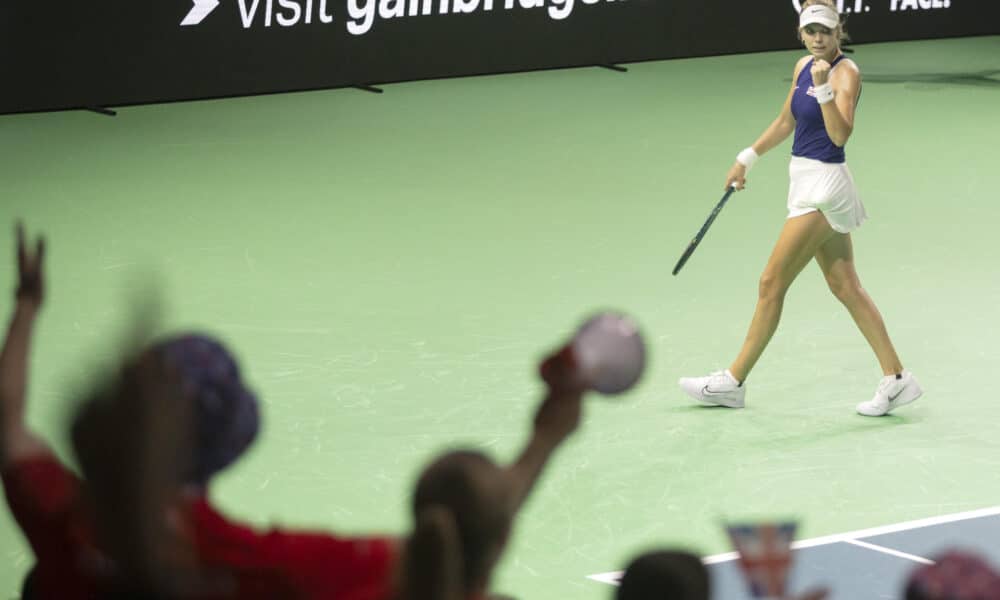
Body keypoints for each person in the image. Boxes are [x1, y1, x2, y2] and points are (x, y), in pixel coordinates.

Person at [678, 0, 922, 417]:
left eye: (825, 31)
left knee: (771, 282)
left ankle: (732, 382)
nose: (817, 38)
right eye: (810, 31)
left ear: (838, 32)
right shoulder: (801, 67)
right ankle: (897, 379)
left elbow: (840, 134)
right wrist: (747, 157)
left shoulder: (846, 72)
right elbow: (785, 122)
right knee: (846, 286)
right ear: (801, 32)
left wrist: (825, 89)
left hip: (825, 187)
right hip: (803, 178)